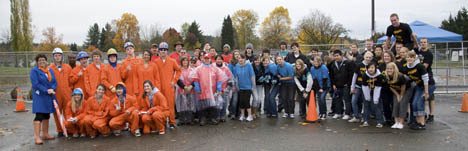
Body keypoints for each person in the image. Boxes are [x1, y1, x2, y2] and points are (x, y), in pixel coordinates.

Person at [192, 54, 226, 125]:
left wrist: (219, 87)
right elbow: (195, 78)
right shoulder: (198, 69)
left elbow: (220, 77)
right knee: (202, 105)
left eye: (208, 58)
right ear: (203, 59)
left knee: (212, 105)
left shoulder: (215, 68)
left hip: (212, 91)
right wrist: (197, 87)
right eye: (205, 58)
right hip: (202, 91)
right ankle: (203, 119)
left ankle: (212, 118)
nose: (207, 60)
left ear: (210, 59)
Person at [30, 54, 57, 145]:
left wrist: (52, 88)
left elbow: (54, 82)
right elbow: (35, 84)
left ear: (46, 61)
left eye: (43, 60)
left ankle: (45, 134)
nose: (42, 62)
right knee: (39, 115)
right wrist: (46, 90)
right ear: (37, 62)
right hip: (40, 96)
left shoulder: (50, 70)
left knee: (47, 115)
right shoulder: (34, 71)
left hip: (48, 96)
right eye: (40, 60)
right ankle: (37, 137)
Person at [154, 42, 182, 129]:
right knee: (160, 105)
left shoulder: (172, 61)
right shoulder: (155, 62)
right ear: (159, 51)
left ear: (167, 51)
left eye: (165, 50)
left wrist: (174, 81)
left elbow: (179, 70)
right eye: (161, 50)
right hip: (158, 87)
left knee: (170, 105)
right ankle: (161, 122)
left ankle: (172, 122)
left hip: (169, 87)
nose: (163, 51)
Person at [402, 51, 430, 130]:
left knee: (419, 102)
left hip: (428, 85)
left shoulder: (420, 66)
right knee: (414, 103)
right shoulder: (406, 67)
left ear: (414, 58)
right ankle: (418, 123)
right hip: (418, 86)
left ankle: (422, 123)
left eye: (411, 57)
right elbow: (407, 78)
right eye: (408, 57)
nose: (409, 59)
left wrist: (426, 92)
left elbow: (425, 79)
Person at [49, 48, 72, 137]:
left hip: (67, 93)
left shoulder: (67, 67)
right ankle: (60, 130)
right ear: (53, 57)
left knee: (68, 111)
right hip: (56, 93)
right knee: (57, 112)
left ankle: (68, 128)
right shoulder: (50, 68)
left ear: (62, 56)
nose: (57, 57)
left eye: (59, 55)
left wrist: (70, 90)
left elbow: (71, 81)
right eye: (56, 55)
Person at [414, 38, 436, 123]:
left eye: (424, 42)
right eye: (421, 42)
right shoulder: (418, 51)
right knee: (420, 98)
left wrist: (415, 69)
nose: (423, 44)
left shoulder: (429, 54)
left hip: (427, 77)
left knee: (429, 97)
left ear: (427, 43)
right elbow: (414, 44)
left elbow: (424, 67)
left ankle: (431, 115)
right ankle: (423, 114)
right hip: (419, 79)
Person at [328, 50, 354, 120]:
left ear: (341, 55)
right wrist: (333, 84)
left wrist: (348, 84)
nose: (336, 57)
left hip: (345, 85)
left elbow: (351, 75)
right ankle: (338, 113)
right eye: (335, 56)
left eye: (337, 55)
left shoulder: (348, 63)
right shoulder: (333, 64)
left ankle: (347, 113)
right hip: (337, 85)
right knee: (337, 99)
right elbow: (331, 75)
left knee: (347, 100)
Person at [349, 52, 374, 123]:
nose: (368, 59)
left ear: (371, 58)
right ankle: (356, 116)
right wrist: (352, 87)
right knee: (353, 101)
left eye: (370, 57)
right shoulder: (359, 65)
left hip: (367, 87)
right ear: (364, 57)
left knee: (366, 102)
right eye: (367, 57)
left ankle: (365, 117)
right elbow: (354, 76)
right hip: (358, 86)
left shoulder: (372, 66)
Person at [384, 63, 408, 129]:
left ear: (394, 69)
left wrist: (401, 95)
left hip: (406, 89)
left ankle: (401, 123)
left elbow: (404, 86)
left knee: (402, 103)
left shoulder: (400, 76)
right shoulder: (386, 76)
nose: (389, 70)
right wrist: (397, 95)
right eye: (388, 69)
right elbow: (390, 86)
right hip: (396, 90)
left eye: (391, 69)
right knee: (395, 104)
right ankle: (396, 122)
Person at [361, 62, 385, 128]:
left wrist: (375, 98)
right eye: (369, 68)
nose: (370, 69)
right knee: (366, 105)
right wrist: (367, 97)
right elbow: (364, 86)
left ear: (375, 68)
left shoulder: (379, 76)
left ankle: (379, 122)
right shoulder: (364, 75)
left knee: (377, 105)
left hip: (377, 91)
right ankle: (365, 121)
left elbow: (378, 87)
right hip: (367, 91)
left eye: (372, 68)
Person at [233, 54, 256, 121]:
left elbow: (252, 76)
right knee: (241, 102)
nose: (241, 60)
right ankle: (242, 115)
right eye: (239, 58)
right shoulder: (236, 66)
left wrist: (253, 86)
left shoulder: (249, 65)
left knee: (246, 102)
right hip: (240, 87)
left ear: (244, 59)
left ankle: (249, 115)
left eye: (242, 58)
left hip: (248, 87)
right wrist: (237, 86)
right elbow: (236, 77)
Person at [175, 57, 196, 125]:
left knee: (190, 104)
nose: (185, 62)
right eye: (183, 61)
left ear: (188, 62)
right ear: (181, 62)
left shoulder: (192, 70)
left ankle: (190, 119)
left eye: (186, 61)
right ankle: (182, 119)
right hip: (181, 90)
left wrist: (190, 86)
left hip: (190, 90)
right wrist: (184, 87)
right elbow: (177, 80)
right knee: (181, 105)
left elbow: (195, 79)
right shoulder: (178, 70)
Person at [213, 55, 233, 122]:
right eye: (217, 59)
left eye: (220, 59)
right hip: (215, 90)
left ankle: (223, 116)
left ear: (222, 60)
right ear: (215, 60)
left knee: (224, 103)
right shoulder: (212, 68)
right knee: (216, 104)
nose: (219, 60)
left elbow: (230, 79)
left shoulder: (226, 68)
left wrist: (227, 89)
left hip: (224, 89)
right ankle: (217, 116)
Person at [228, 50, 241, 119]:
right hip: (234, 84)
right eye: (235, 54)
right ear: (233, 55)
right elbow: (229, 74)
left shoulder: (241, 62)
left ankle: (238, 113)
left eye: (238, 54)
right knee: (234, 99)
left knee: (239, 100)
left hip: (241, 84)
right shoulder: (231, 64)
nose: (237, 55)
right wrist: (233, 84)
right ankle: (232, 113)